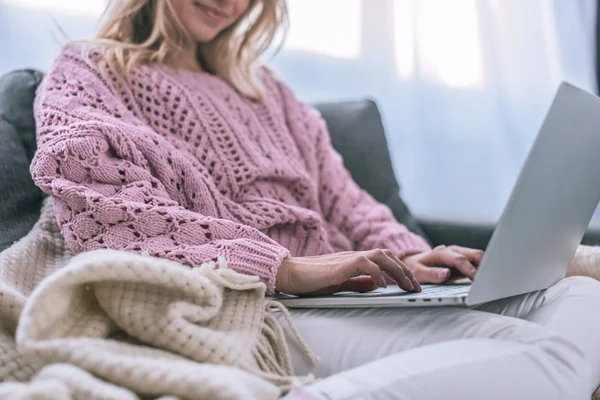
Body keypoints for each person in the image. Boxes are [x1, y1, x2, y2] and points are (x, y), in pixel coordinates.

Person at [30, 0, 600, 399]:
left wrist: (412, 259)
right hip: (260, 307)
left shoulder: (269, 91)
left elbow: (350, 204)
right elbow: (108, 212)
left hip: (341, 296)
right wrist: (285, 267)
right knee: (541, 351)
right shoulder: (91, 69)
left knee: (581, 297)